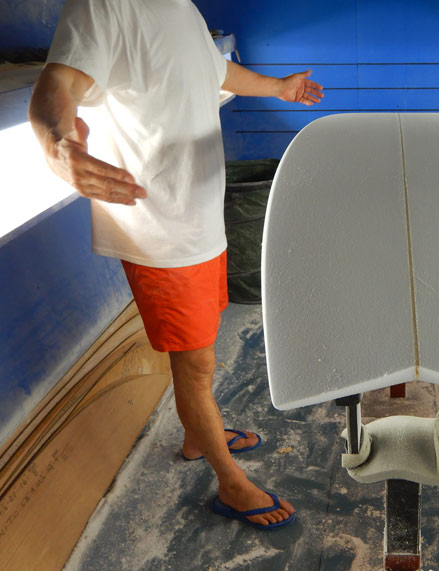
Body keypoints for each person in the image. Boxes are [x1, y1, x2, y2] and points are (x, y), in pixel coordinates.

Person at [28, 0, 323, 531]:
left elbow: (216, 71)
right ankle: (230, 483)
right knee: (197, 363)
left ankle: (196, 436)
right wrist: (56, 145)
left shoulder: (182, 7)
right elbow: (59, 84)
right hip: (160, 227)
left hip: (200, 220)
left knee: (201, 349)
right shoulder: (105, 5)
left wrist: (279, 87)